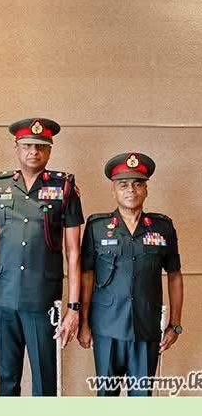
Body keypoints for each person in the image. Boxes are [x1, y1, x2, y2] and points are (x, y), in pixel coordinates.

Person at [0, 118, 84, 396]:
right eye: (27, 145)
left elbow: (74, 253)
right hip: (3, 299)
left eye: (40, 146)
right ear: (16, 147)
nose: (33, 152)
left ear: (49, 150)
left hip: (42, 300)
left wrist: (74, 308)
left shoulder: (64, 188)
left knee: (44, 383)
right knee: (6, 381)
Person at [78, 152, 183, 396]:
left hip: (146, 328)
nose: (131, 190)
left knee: (141, 400)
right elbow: (87, 275)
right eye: (123, 184)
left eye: (137, 184)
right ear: (113, 190)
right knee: (107, 398)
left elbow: (175, 276)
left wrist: (175, 324)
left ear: (146, 189)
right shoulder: (97, 227)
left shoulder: (162, 227)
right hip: (106, 329)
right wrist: (83, 322)